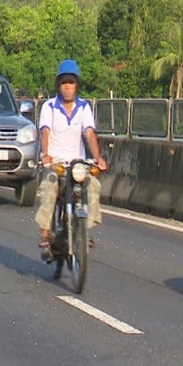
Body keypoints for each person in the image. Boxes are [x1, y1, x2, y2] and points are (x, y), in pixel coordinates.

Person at [35, 59, 108, 258]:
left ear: (77, 85)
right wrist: (46, 154)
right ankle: (45, 231)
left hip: (78, 165)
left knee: (93, 185)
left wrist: (97, 158)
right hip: (56, 164)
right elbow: (45, 132)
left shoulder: (84, 107)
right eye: (64, 83)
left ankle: (84, 230)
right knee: (49, 189)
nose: (68, 87)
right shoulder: (49, 107)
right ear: (59, 85)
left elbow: (90, 133)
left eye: (71, 83)